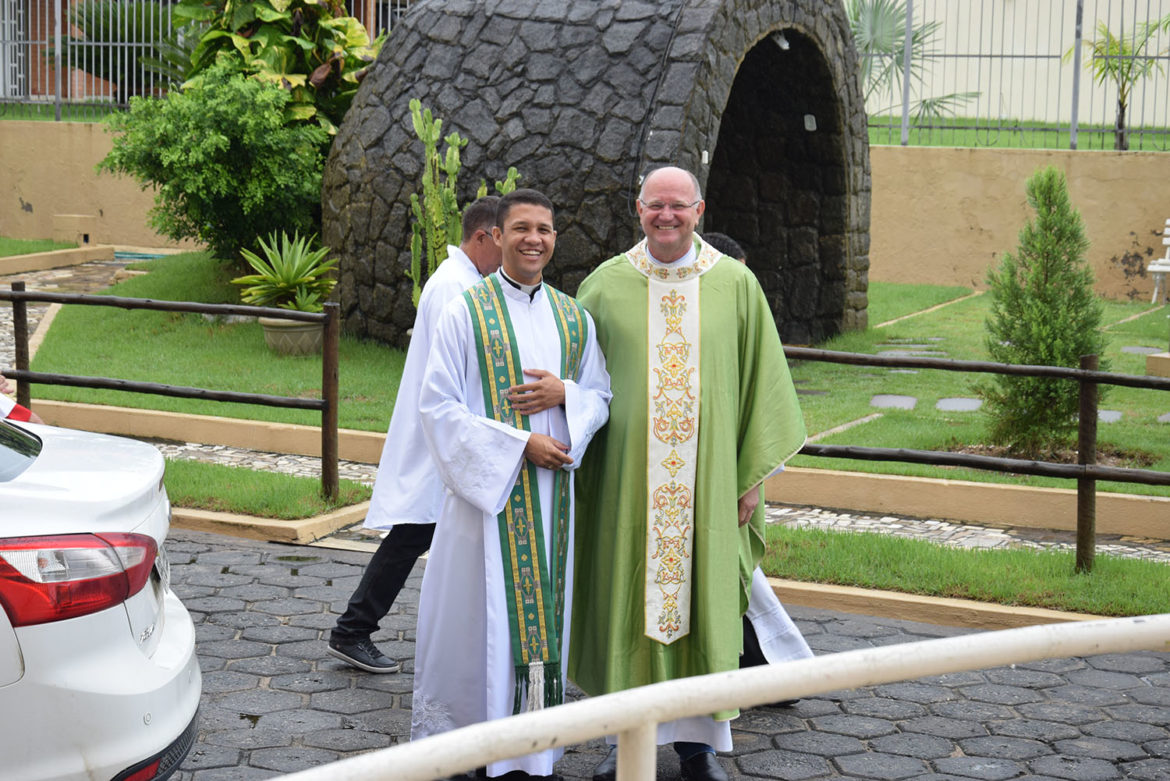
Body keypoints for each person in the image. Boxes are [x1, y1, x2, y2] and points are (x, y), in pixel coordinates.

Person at [570, 167, 807, 781]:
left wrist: (751, 478)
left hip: (709, 486)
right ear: (638, 210)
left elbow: (761, 385)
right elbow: (576, 380)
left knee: (704, 607)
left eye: (679, 205)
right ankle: (625, 743)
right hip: (624, 488)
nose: (667, 215)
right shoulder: (604, 286)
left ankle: (698, 747)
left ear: (699, 210)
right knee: (624, 606)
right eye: (656, 205)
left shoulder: (736, 284)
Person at [412, 188, 611, 780]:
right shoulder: (465, 311)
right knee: (477, 622)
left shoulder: (574, 318)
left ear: (555, 239)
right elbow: (437, 407)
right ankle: (468, 746)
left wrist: (566, 395)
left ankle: (529, 751)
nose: (534, 239)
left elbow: (601, 394)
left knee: (538, 621)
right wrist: (520, 444)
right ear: (496, 236)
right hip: (485, 506)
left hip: (551, 504)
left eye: (544, 229)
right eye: (521, 228)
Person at [327, 196, 503, 674]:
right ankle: (352, 630)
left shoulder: (466, 282)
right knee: (413, 533)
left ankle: (460, 637)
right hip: (442, 437)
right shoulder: (454, 288)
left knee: (428, 534)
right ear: (483, 237)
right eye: (504, 240)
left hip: (452, 435)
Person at [698, 231, 814, 691]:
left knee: (734, 576)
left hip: (726, 474)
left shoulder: (741, 319)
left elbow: (757, 402)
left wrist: (752, 480)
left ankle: (765, 671)